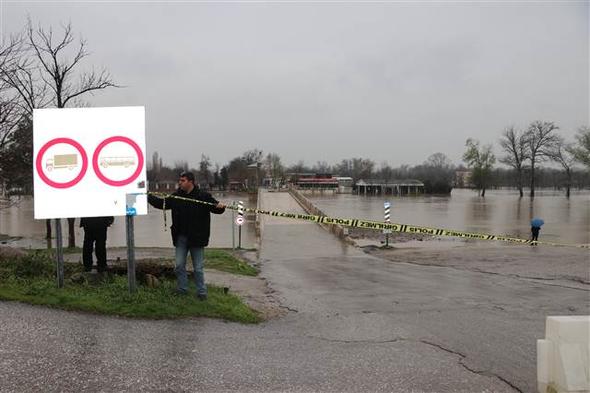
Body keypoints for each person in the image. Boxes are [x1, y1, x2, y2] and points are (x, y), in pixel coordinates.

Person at [147, 171, 225, 300]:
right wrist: (149, 197)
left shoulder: (203, 196)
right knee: (179, 265)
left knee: (198, 268)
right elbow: (162, 204)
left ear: (191, 182)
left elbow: (216, 208)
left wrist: (221, 207)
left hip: (197, 238)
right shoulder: (177, 196)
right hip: (181, 237)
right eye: (180, 180)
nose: (180, 182)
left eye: (183, 180)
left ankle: (201, 293)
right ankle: (182, 289)